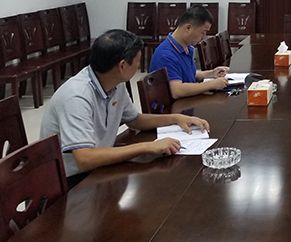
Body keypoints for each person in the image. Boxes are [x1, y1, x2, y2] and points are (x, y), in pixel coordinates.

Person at [40, 29, 210, 181]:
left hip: (99, 167)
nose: (138, 66)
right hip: (71, 181)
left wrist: (176, 118)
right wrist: (148, 147)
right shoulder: (77, 97)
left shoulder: (115, 82)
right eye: (137, 62)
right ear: (122, 65)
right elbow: (84, 159)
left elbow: (134, 120)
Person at [149, 6, 229, 99]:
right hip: (175, 105)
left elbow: (189, 74)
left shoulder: (186, 47)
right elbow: (177, 90)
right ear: (188, 28)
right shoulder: (166, 55)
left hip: (187, 100)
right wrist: (212, 84)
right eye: (203, 32)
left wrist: (211, 73)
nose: (204, 37)